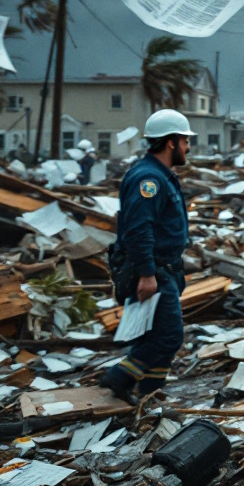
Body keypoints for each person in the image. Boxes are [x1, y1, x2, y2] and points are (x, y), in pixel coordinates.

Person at [98, 110, 194, 398]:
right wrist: (147, 274)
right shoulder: (148, 179)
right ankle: (119, 379)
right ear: (171, 143)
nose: (188, 147)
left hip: (166, 270)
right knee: (169, 335)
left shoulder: (159, 175)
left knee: (154, 335)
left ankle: (150, 394)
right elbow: (140, 230)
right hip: (154, 271)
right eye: (185, 141)